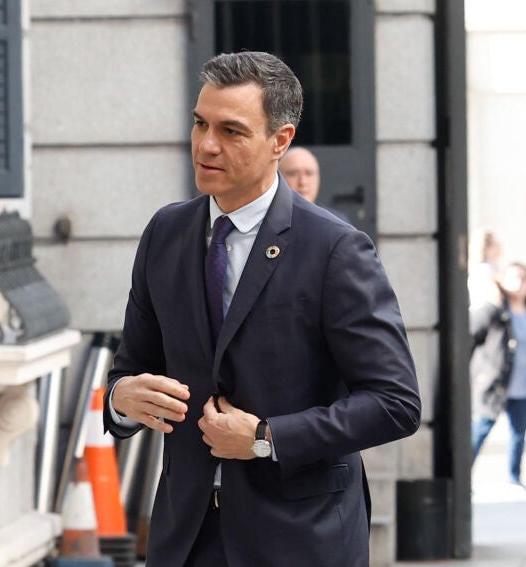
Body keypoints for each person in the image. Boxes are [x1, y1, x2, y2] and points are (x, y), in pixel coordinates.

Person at [103, 52, 421, 566]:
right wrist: (122, 400)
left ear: (280, 141)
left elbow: (395, 403)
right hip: (185, 540)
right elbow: (130, 369)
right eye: (201, 124)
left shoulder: (334, 249)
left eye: (231, 131)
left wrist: (264, 438)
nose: (207, 145)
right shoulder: (164, 233)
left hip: (301, 540)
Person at [470, 262, 526, 486]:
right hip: (496, 383)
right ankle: (463, 476)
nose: (519, 284)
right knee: (480, 430)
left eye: (523, 278)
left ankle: (513, 478)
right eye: (514, 278)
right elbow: (469, 336)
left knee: (518, 433)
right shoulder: (494, 310)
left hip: (521, 384)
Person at [468, 230, 503, 308]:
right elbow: (495, 297)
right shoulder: (484, 270)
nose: (500, 246)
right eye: (496, 244)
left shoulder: (492, 267)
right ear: (487, 248)